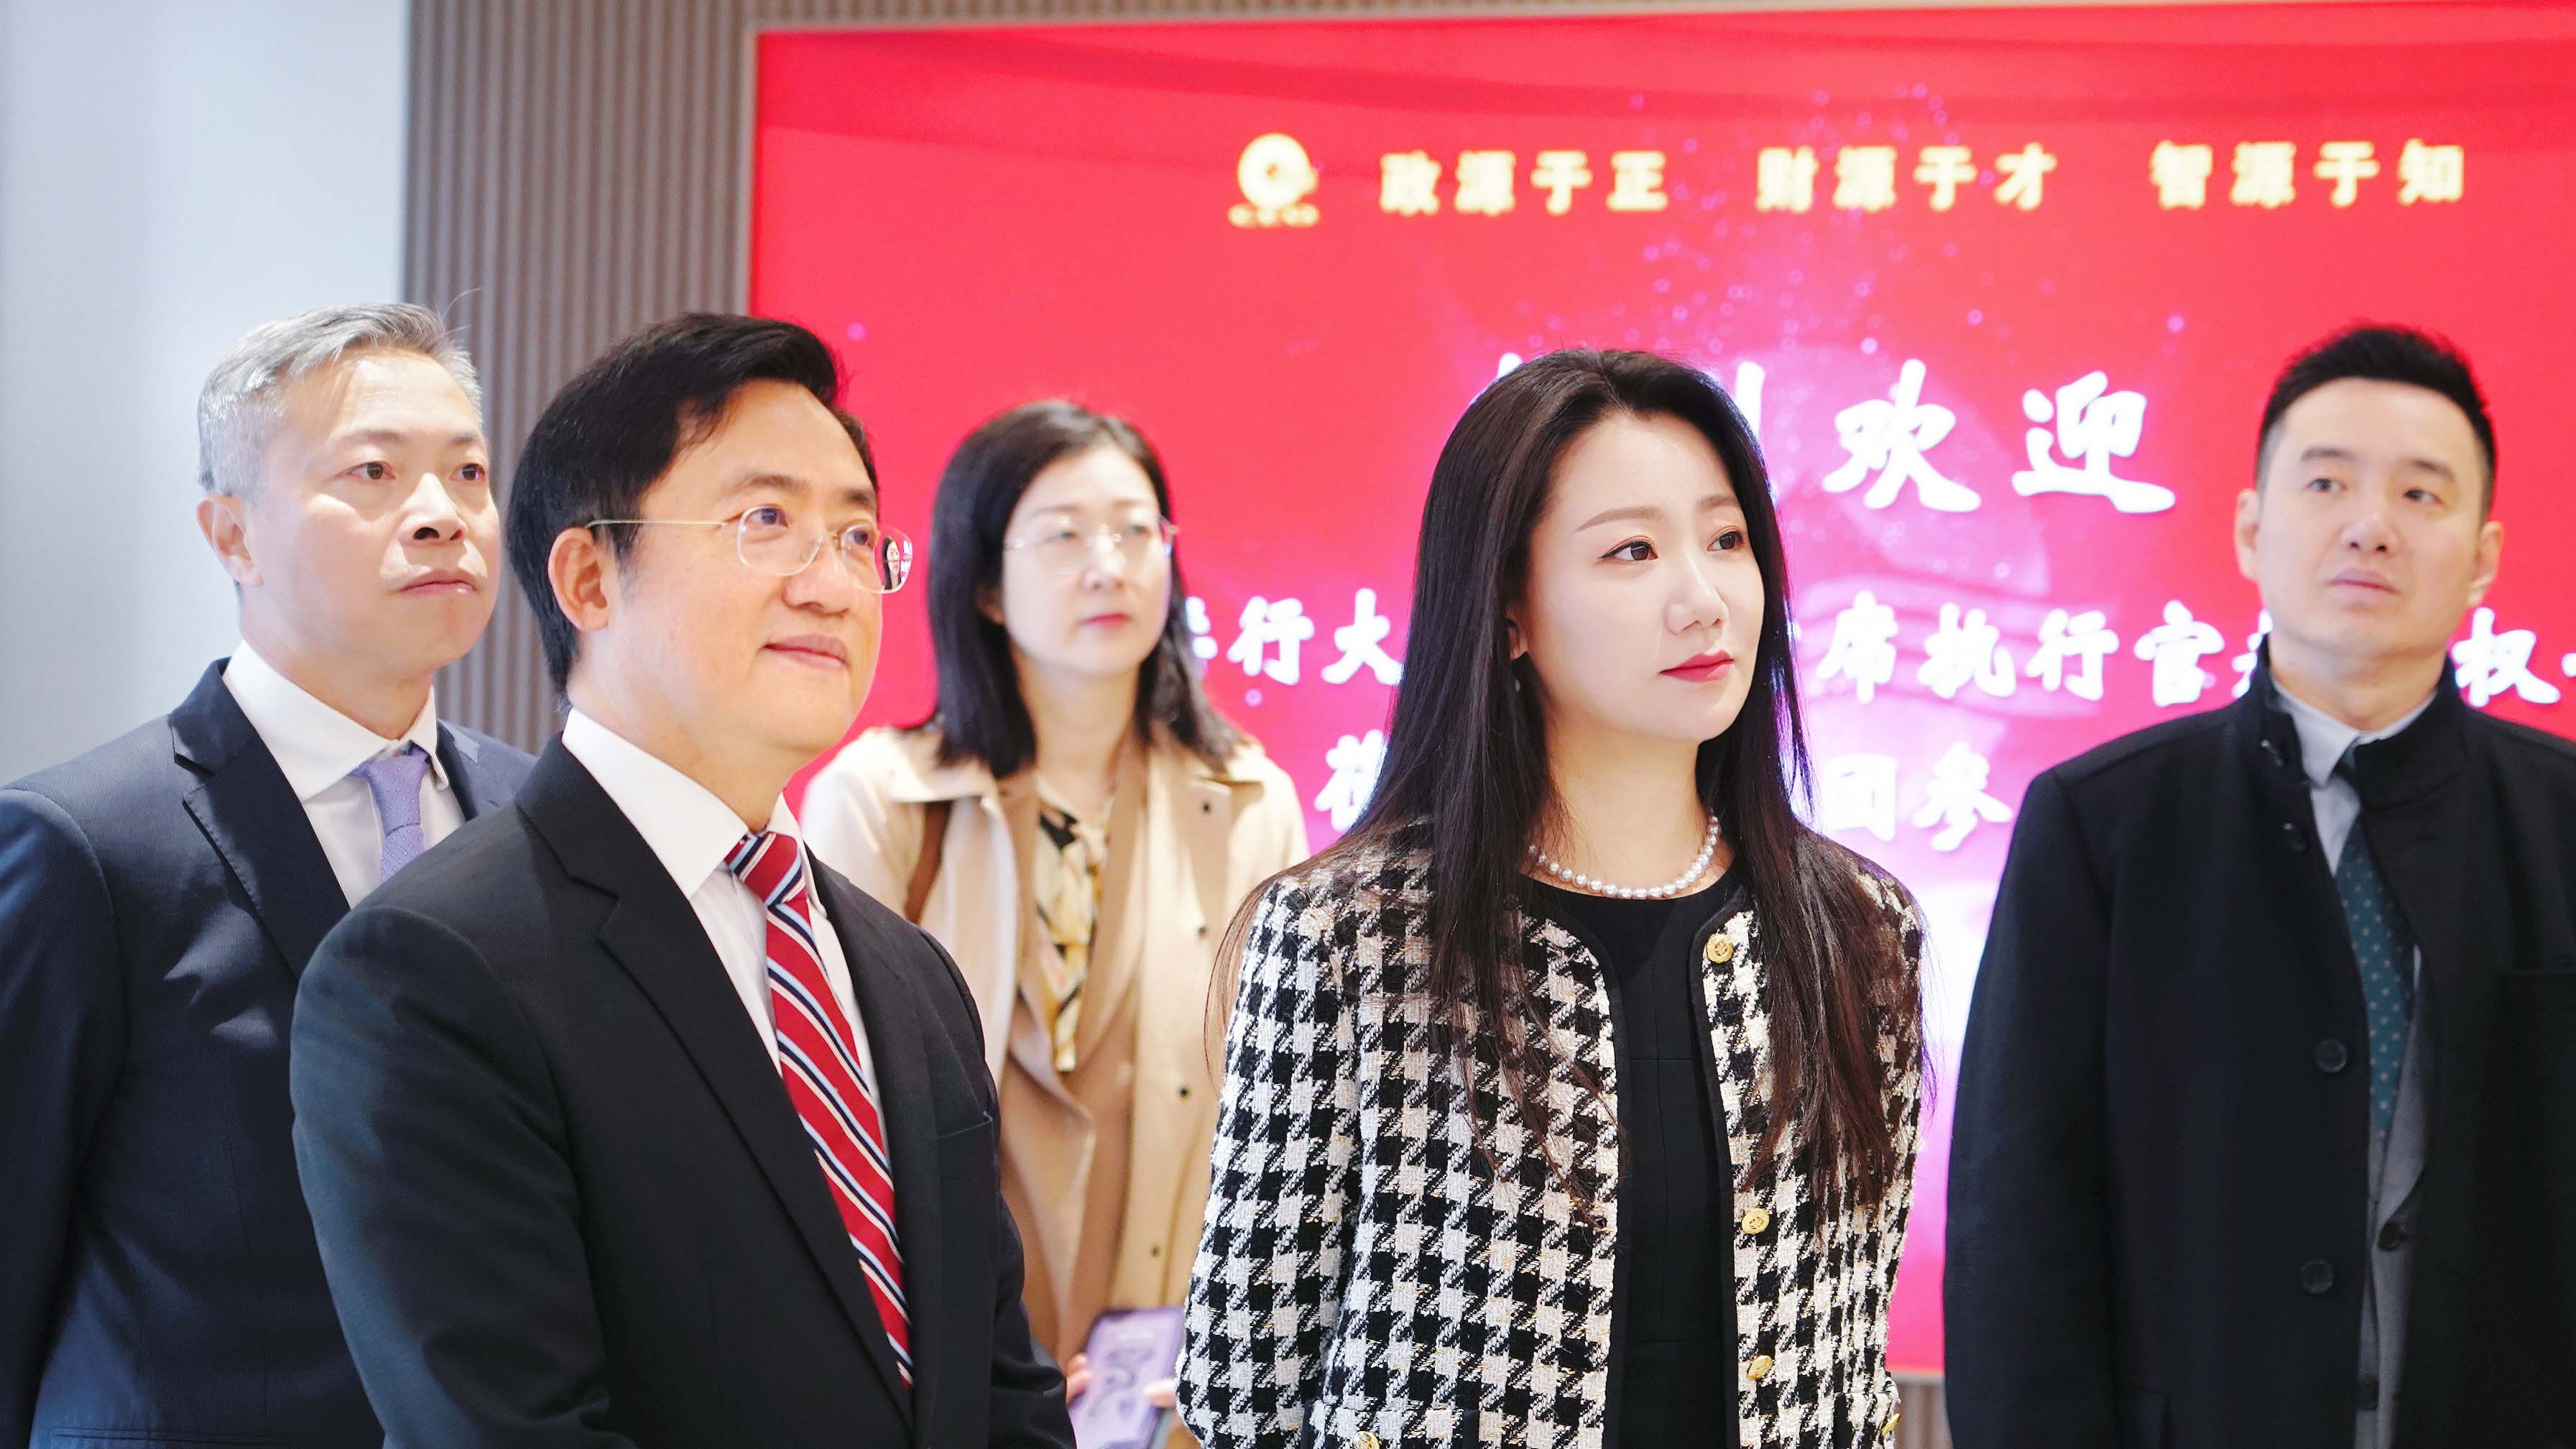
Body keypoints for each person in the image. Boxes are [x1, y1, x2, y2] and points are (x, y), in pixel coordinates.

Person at [288, 313, 1074, 1447]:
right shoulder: (428, 971)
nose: (831, 585)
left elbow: (1004, 1397)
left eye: (857, 537)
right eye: (766, 522)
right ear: (589, 578)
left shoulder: (909, 975)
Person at [1177, 349, 1925, 1449]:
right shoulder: (1348, 935)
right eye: (1631, 551)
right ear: (1507, 609)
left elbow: (1849, 1350)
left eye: (1726, 541)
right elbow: (1242, 1385)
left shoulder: (1858, 929)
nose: (1701, 600)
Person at [1945, 324, 2576, 1449]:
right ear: (2250, 528)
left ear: (2482, 556)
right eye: (2325, 482)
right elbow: (2017, 1215)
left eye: (2420, 493)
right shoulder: (2101, 826)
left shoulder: (2560, 823)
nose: (2369, 525)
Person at [0, 303, 530, 1445]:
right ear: (232, 535)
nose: (441, 514)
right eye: (374, 473)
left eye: (469, 474)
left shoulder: (535, 818)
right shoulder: (87, 846)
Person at [803, 400, 1308, 1393]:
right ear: (987, 585)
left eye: (1135, 531)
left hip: (1164, 1380)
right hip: (943, 1364)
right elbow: (830, 1120)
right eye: (1064, 536)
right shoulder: (882, 801)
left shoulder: (1251, 803)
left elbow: (1282, 1119)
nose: (1108, 567)